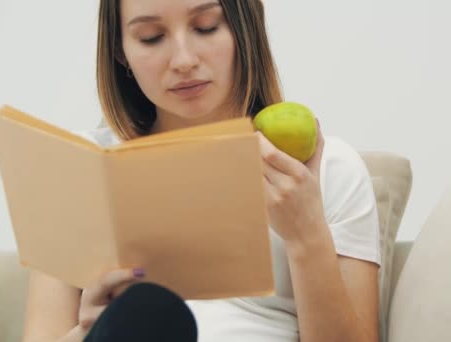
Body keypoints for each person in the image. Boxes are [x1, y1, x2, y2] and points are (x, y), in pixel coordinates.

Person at [22, 0, 381, 341]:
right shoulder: (80, 166)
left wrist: (306, 235)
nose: (183, 60)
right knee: (146, 311)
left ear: (245, 30)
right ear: (121, 51)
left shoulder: (326, 170)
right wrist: (89, 331)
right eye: (152, 37)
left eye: (206, 27)